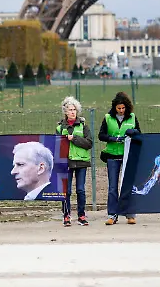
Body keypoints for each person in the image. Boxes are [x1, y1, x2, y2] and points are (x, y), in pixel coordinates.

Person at [99, 92, 141, 225]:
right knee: (112, 187)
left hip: (128, 155)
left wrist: (133, 132)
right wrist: (113, 138)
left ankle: (130, 214)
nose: (121, 111)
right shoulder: (107, 118)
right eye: (119, 108)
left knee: (128, 185)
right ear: (115, 108)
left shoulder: (132, 118)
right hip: (112, 155)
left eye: (123, 108)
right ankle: (112, 214)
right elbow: (101, 135)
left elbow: (139, 133)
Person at [55, 96, 93, 227]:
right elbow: (56, 145)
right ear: (65, 112)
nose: (72, 112)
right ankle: (66, 215)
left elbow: (89, 143)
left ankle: (81, 215)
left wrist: (74, 139)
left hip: (81, 162)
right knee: (67, 191)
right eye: (70, 110)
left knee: (80, 190)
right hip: (66, 163)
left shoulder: (83, 126)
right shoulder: (60, 128)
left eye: (74, 110)